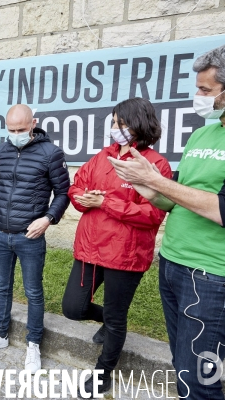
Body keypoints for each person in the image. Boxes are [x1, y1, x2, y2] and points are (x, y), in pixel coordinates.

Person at [109, 45, 225, 400]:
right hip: (173, 262)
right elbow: (173, 200)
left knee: (200, 382)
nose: (198, 96)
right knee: (183, 364)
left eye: (205, 90)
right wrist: (142, 182)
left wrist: (157, 180)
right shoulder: (202, 134)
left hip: (209, 274)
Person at [61, 98, 172, 396]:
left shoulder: (155, 164)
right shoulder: (103, 156)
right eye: (113, 123)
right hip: (90, 247)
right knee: (73, 307)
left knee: (116, 314)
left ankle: (104, 372)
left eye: (121, 124)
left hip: (125, 253)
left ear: (139, 125)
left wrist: (105, 202)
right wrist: (82, 197)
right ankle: (109, 324)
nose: (115, 129)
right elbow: (78, 184)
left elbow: (152, 214)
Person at [0, 104, 70, 373]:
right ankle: (1, 334)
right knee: (2, 287)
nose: (15, 134)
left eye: (21, 129)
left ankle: (33, 345)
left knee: (33, 292)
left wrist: (48, 219)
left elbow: (63, 193)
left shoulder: (51, 154)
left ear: (33, 124)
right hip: (0, 234)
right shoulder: (2, 151)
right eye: (11, 129)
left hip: (30, 236)